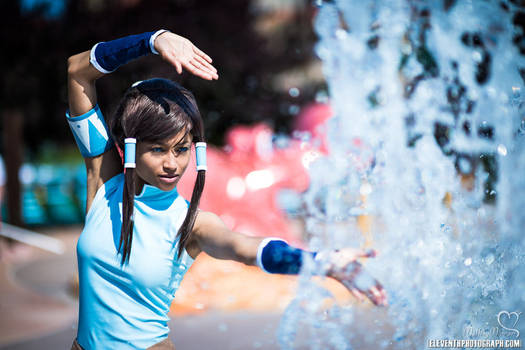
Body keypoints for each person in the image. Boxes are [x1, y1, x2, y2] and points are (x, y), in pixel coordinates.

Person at [66, 29, 387, 350]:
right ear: (131, 149)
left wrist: (319, 261)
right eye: (157, 150)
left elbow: (245, 248)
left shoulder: (190, 223)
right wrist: (152, 41)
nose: (172, 164)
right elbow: (78, 72)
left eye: (181, 149)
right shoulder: (104, 182)